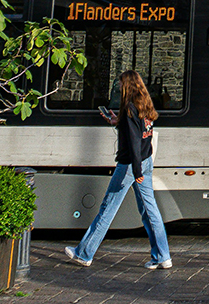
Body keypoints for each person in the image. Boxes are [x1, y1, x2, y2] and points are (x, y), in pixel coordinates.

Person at [63, 70, 172, 269]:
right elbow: (141, 133)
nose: (119, 87)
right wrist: (117, 121)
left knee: (108, 208)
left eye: (121, 84)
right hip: (146, 161)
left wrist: (137, 172)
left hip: (131, 165)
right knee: (150, 210)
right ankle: (163, 256)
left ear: (128, 86)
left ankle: (84, 253)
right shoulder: (144, 106)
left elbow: (133, 142)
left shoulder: (130, 109)